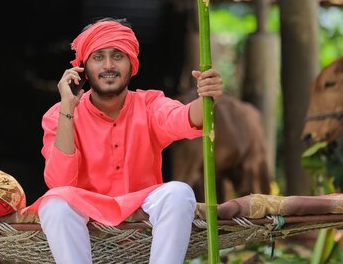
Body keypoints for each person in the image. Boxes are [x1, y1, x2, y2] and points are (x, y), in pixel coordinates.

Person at [22, 18, 223, 264]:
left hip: (142, 209)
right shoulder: (58, 115)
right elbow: (61, 183)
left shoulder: (149, 105)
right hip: (86, 212)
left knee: (179, 193)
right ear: (84, 70)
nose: (109, 65)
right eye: (98, 57)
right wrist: (68, 107)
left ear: (132, 65)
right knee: (55, 204)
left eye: (118, 56)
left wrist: (206, 96)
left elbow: (183, 118)